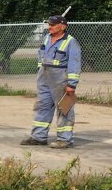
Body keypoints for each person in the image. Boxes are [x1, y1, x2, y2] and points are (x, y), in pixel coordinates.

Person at [21, 15, 82, 148]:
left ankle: (64, 140)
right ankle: (39, 137)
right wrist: (40, 70)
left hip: (60, 79)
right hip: (44, 77)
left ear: (63, 26)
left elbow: (74, 64)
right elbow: (41, 54)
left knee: (64, 108)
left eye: (53, 25)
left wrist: (72, 84)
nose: (50, 27)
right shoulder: (47, 38)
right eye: (49, 24)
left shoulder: (71, 42)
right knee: (42, 106)